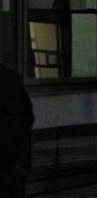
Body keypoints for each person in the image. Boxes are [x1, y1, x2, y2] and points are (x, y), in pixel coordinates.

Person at [0, 63, 35, 198]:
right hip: (11, 167)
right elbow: (26, 118)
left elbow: (22, 121)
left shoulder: (8, 79)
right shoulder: (10, 78)